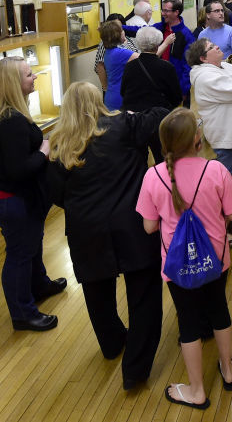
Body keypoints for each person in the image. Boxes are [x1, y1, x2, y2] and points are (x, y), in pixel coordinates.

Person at [46, 83, 169, 389]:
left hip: (87, 230)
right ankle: (135, 371)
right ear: (98, 101)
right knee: (144, 298)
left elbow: (56, 195)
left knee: (97, 295)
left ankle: (113, 344)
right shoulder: (125, 124)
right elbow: (163, 114)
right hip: (133, 226)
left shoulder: (60, 145)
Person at [136, 108, 232, 410]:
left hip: (177, 266)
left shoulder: (153, 176)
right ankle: (228, 369)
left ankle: (196, 390)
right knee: (219, 311)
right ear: (197, 140)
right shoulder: (216, 170)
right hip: (216, 260)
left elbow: (148, 226)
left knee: (188, 323)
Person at [0, 56, 64, 332]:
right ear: (15, 83)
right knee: (19, 253)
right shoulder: (11, 120)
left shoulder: (1, 113)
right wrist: (44, 150)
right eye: (29, 74)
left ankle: (39, 285)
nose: (34, 77)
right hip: (10, 197)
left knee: (31, 243)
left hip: (12, 195)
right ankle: (23, 313)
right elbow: (18, 169)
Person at [187, 37, 232, 248]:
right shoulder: (206, 77)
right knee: (225, 188)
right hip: (228, 138)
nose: (218, 47)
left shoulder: (222, 66)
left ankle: (226, 223)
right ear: (203, 58)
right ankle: (218, 232)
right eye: (212, 47)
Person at [121, 26, 182, 160]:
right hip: (159, 121)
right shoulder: (166, 67)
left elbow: (123, 92)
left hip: (135, 120)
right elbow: (177, 98)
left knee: (138, 160)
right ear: (158, 44)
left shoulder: (130, 66)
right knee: (162, 159)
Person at [153, 0, 195, 103]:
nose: (163, 14)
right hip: (159, 84)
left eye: (166, 11)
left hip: (176, 86)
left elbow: (188, 65)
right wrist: (119, 27)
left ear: (176, 12)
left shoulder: (186, 35)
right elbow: (140, 30)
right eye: (162, 10)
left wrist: (183, 90)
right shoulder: (160, 27)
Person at [98, 20, 137, 110]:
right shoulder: (120, 53)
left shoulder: (110, 51)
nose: (124, 32)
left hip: (112, 94)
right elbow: (147, 58)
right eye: (122, 30)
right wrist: (166, 43)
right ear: (117, 35)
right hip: (120, 97)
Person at [94, 13, 137, 89]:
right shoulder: (106, 43)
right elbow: (100, 66)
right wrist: (106, 88)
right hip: (115, 87)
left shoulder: (128, 39)